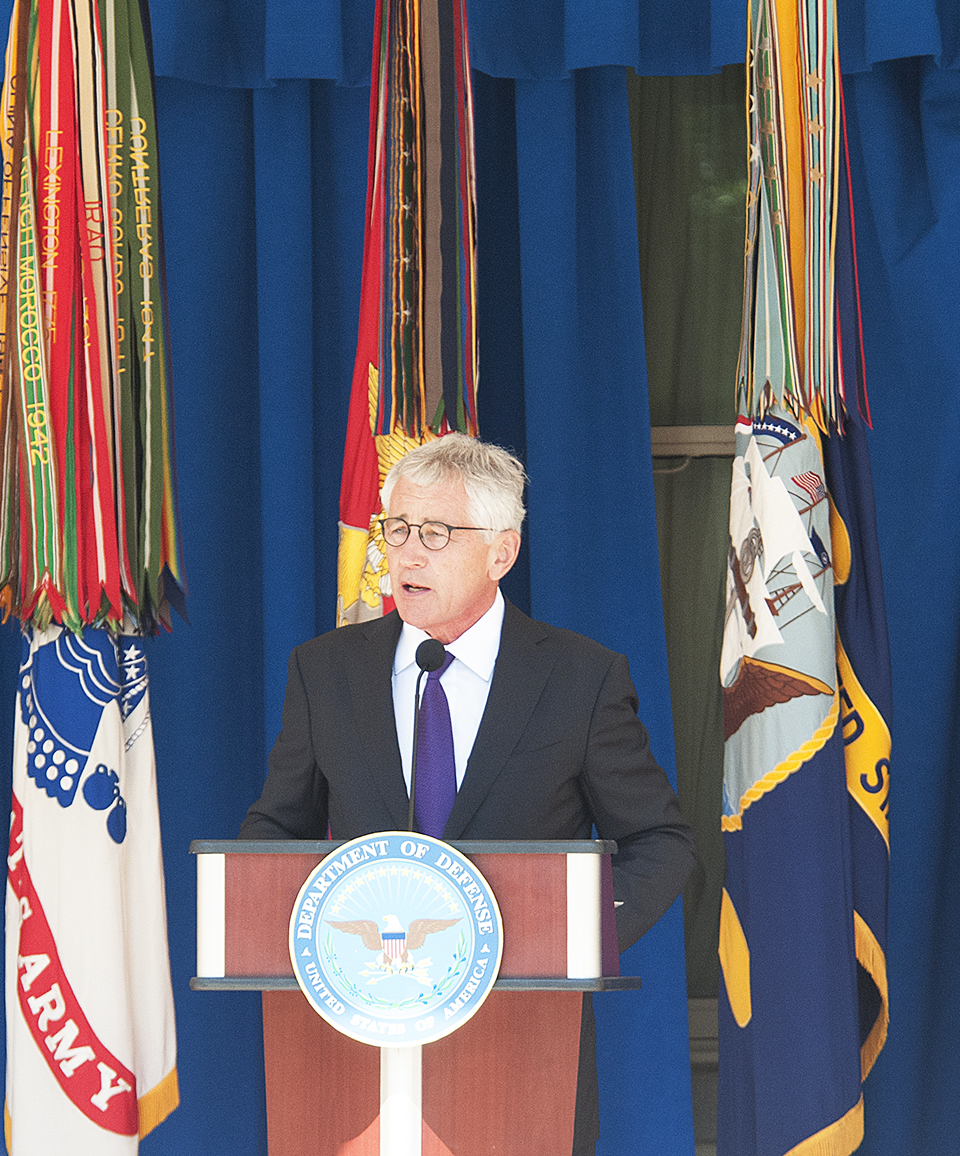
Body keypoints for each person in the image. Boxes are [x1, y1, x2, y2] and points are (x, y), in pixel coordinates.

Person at [241, 433, 694, 1154]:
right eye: (397, 530)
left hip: (522, 1044)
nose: (406, 555)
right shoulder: (325, 671)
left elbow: (660, 843)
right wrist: (301, 929)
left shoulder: (581, 679)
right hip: (361, 1033)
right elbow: (275, 827)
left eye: (437, 534)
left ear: (501, 552)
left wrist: (567, 937)